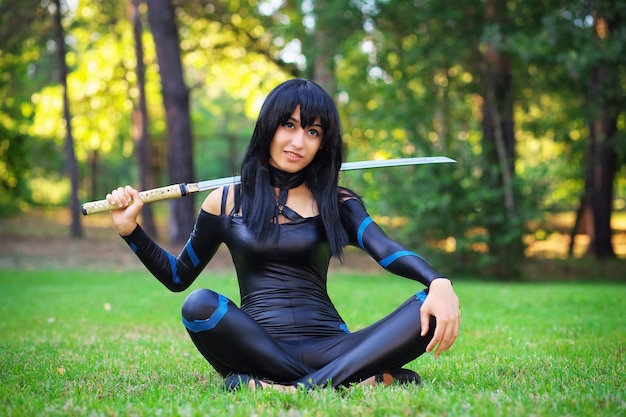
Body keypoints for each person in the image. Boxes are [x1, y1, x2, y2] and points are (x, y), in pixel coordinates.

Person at [106, 78, 460, 391]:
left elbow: (385, 250)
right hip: (259, 348)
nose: (298, 142)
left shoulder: (337, 202)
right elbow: (177, 277)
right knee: (199, 305)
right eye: (288, 125)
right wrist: (130, 231)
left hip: (333, 347)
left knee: (424, 306)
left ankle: (292, 387)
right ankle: (351, 379)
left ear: (323, 143)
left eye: (312, 131)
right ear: (269, 127)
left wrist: (438, 281)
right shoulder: (225, 201)